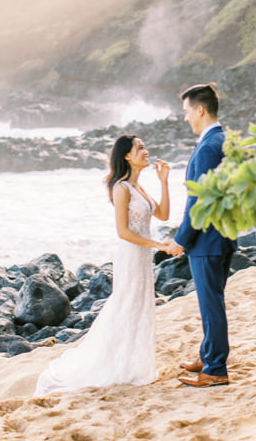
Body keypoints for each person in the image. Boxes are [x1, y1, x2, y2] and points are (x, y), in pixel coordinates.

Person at [35, 134, 179, 394]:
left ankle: (134, 363)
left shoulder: (139, 187)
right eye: (140, 148)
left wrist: (164, 182)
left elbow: (164, 214)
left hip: (142, 254)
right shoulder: (121, 188)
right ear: (127, 155)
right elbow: (123, 232)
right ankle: (115, 363)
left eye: (145, 146)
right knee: (126, 304)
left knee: (139, 305)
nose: (146, 151)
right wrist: (160, 246)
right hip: (131, 254)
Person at [173, 82, 236, 387]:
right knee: (212, 301)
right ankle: (207, 354)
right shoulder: (223, 140)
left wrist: (180, 239)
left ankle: (215, 369)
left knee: (211, 304)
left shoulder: (210, 146)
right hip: (222, 234)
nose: (185, 118)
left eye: (187, 112)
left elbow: (199, 200)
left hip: (208, 239)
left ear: (200, 110)